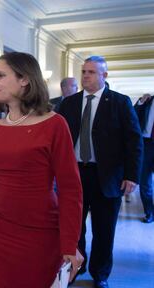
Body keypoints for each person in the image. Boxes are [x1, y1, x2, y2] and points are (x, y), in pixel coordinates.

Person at [0, 52, 83, 288]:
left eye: (1, 75)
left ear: (25, 79)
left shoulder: (55, 125)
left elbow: (70, 189)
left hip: (38, 232)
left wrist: (69, 243)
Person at [59, 56, 143, 288]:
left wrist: (132, 175)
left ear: (104, 76)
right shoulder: (69, 103)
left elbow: (133, 142)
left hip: (107, 177)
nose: (86, 76)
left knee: (104, 230)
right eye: (84, 71)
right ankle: (76, 265)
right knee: (74, 228)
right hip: (74, 175)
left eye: (92, 72)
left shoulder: (120, 102)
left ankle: (100, 273)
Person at [134, 93, 154, 223]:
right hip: (146, 144)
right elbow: (133, 115)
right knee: (145, 182)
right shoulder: (148, 100)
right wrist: (141, 102)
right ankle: (149, 212)